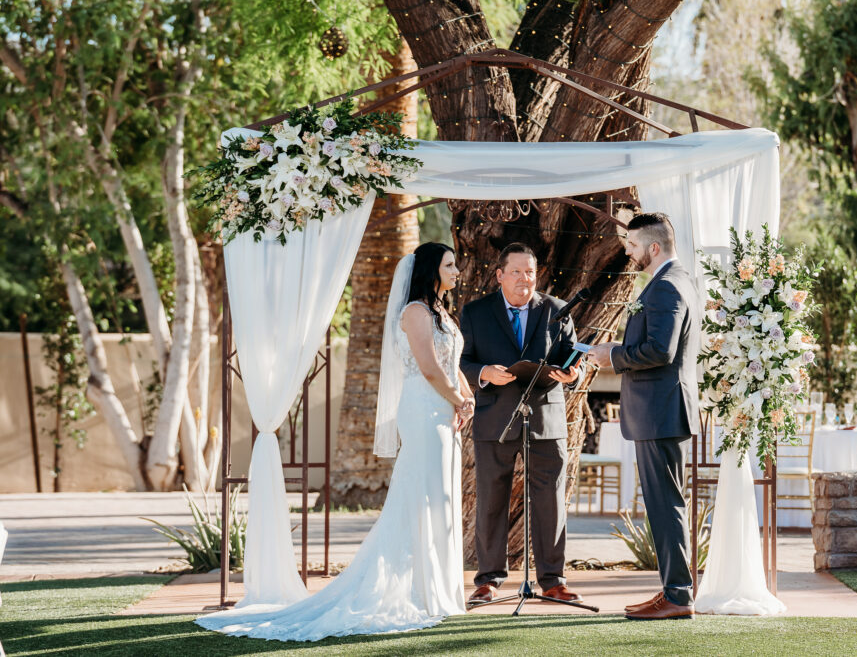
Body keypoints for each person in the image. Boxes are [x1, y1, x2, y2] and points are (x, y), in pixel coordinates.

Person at [196, 242, 475, 641]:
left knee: (439, 496)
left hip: (446, 411)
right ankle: (419, 591)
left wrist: (467, 400)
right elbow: (429, 369)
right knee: (421, 495)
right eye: (450, 264)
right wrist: (459, 399)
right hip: (424, 409)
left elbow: (451, 366)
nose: (457, 270)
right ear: (432, 269)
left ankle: (441, 593)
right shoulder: (415, 313)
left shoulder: (443, 314)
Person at [587, 212, 700, 620]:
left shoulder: (667, 286)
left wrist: (611, 356)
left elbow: (661, 351)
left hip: (660, 411)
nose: (628, 252)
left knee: (665, 504)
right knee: (664, 503)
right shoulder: (673, 281)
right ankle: (673, 590)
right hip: (659, 410)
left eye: (632, 246)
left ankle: (677, 595)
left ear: (654, 247)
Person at [459, 242, 583, 605]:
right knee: (491, 502)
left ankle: (553, 581)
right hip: (494, 419)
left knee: (551, 504)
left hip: (545, 419)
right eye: (516, 272)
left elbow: (575, 359)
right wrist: (484, 372)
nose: (524, 279)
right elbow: (462, 360)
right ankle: (488, 580)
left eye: (530, 272)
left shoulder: (557, 310)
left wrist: (573, 372)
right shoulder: (476, 312)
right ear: (499, 275)